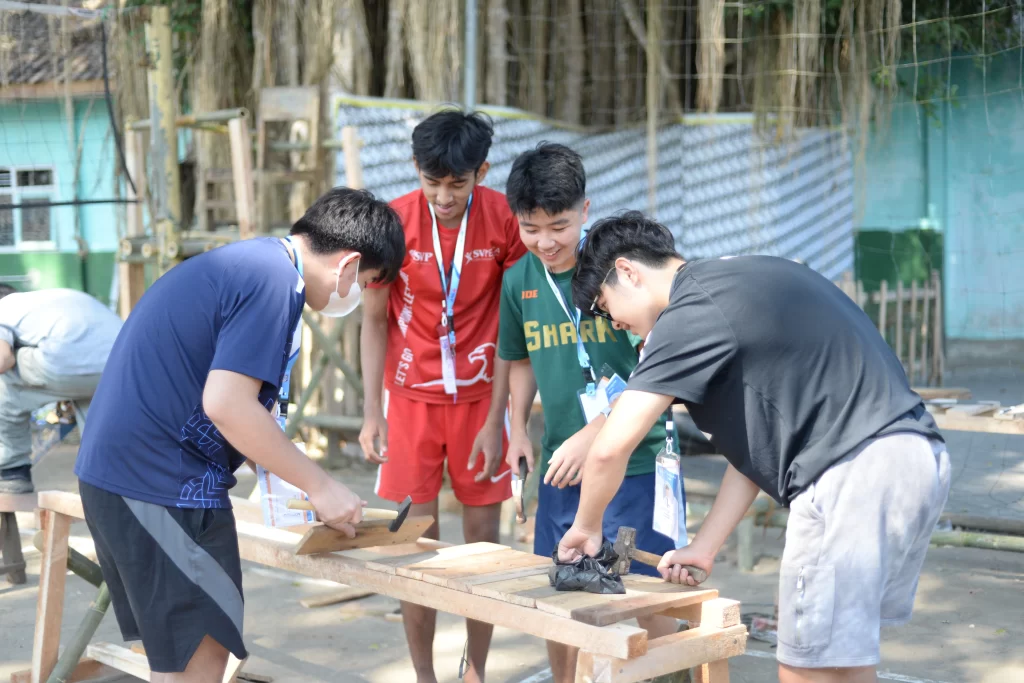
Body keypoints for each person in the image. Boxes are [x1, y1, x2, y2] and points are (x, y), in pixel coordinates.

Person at [557, 212, 950, 683]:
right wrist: (704, 546)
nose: (617, 325)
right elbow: (758, 450)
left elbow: (609, 448)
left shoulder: (687, 312)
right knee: (841, 662)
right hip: (912, 459)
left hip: (851, 472)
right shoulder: (734, 281)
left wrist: (586, 528)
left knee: (806, 668)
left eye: (605, 306)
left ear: (627, 272)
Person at [74, 188, 406, 681]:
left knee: (184, 661)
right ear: (348, 264)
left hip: (130, 477)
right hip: (162, 485)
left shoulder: (254, 263)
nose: (359, 297)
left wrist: (291, 482)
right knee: (202, 663)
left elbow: (237, 409)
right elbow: (226, 404)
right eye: (369, 283)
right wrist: (321, 484)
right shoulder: (275, 282)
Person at [497, 144, 680, 683]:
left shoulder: (622, 271)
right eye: (531, 227)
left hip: (636, 462)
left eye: (560, 224)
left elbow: (657, 367)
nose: (546, 241)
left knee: (640, 596)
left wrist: (597, 435)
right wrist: (517, 431)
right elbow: (519, 360)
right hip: (560, 466)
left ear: (585, 209)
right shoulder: (518, 281)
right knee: (561, 591)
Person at [358, 108, 526, 683]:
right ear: (416, 170)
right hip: (409, 401)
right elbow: (374, 321)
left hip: (483, 400)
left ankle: (474, 668)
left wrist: (504, 415)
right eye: (434, 183)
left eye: (458, 184)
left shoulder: (506, 219)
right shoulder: (396, 221)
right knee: (413, 543)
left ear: (481, 171)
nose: (445, 197)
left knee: (483, 542)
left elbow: (516, 322)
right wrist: (369, 413)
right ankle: (424, 674)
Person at [0, 286, 122, 493]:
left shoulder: (4, 308)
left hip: (63, 361)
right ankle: (106, 477)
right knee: (91, 400)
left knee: (4, 379)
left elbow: (4, 357)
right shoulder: (56, 298)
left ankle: (12, 470)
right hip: (122, 363)